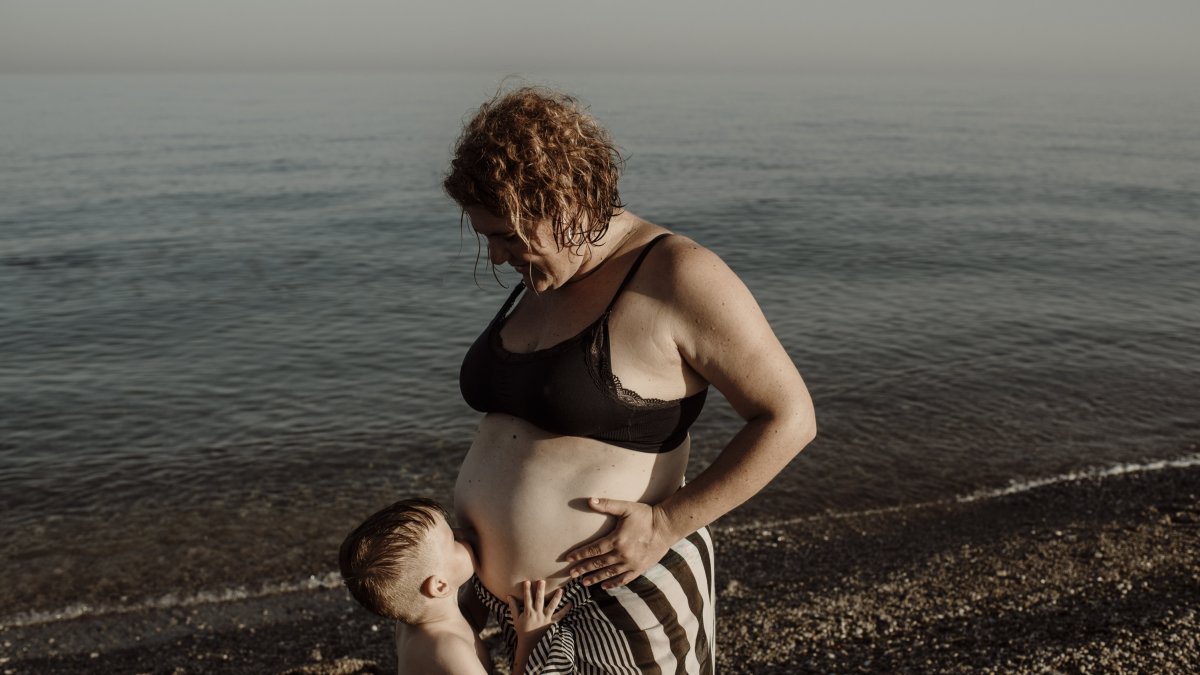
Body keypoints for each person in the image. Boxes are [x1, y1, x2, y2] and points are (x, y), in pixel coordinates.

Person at [445, 86, 817, 674]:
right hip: (508, 606)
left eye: (508, 236)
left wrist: (668, 524)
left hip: (617, 602)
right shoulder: (547, 274)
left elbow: (789, 418)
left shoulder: (676, 274)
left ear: (564, 199)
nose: (495, 257)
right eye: (486, 235)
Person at [340, 498, 568, 675]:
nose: (464, 535)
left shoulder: (414, 622)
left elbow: (467, 619)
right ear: (440, 586)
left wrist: (484, 583)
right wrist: (530, 640)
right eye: (454, 539)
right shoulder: (448, 651)